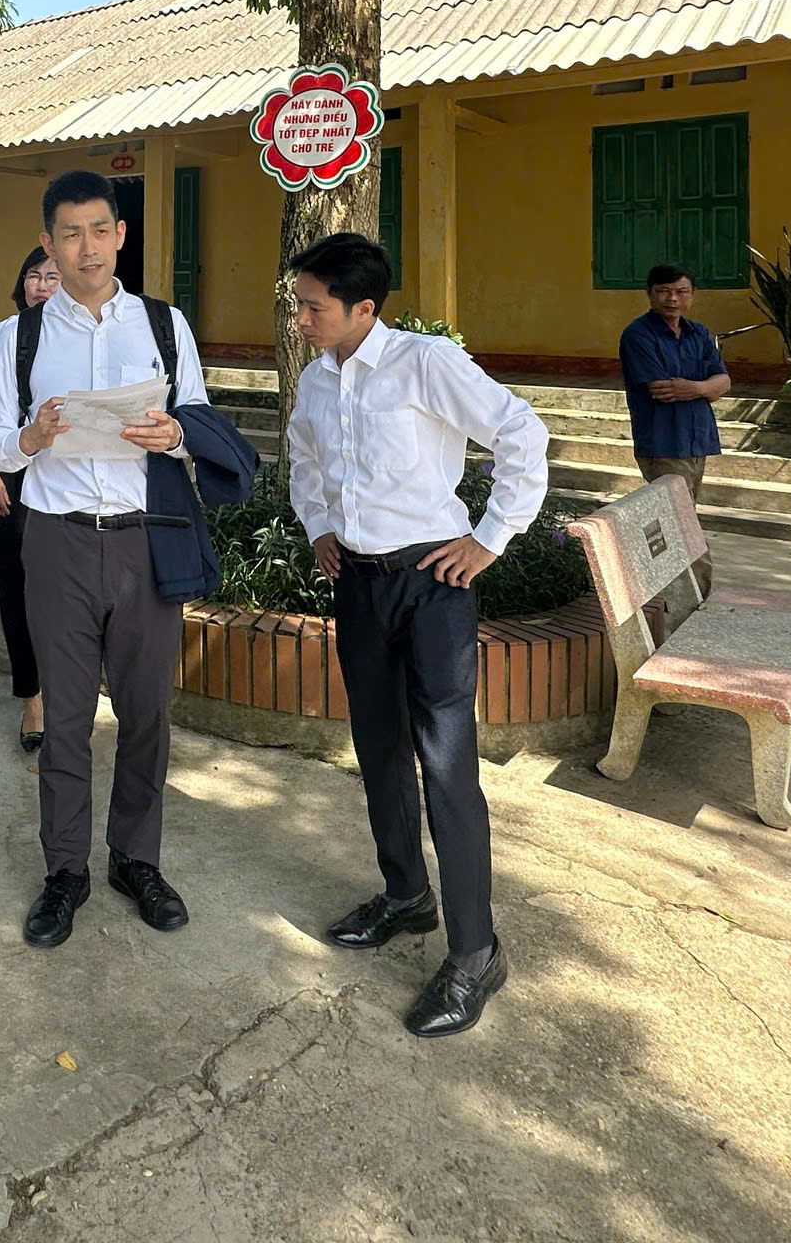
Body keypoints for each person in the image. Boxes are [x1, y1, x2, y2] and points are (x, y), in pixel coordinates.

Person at [285, 232, 548, 1039]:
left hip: (433, 586)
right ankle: (406, 898)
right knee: (379, 751)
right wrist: (321, 527)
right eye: (298, 303)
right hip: (359, 585)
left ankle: (476, 953)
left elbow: (521, 432)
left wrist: (491, 538)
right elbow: (303, 460)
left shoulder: (425, 364)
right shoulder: (317, 381)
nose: (299, 318)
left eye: (313, 307)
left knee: (446, 767)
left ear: (365, 309)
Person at [0, 170, 211, 950]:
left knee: (147, 715)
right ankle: (64, 870)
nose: (86, 247)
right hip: (59, 540)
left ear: (121, 236)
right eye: (68, 233)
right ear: (48, 242)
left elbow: (198, 426)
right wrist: (30, 440)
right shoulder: (17, 338)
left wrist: (173, 436)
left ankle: (136, 859)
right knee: (66, 718)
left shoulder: (166, 327)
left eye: (100, 230)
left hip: (146, 538)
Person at [0, 245, 60, 757]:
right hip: (10, 476)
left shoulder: (80, 338)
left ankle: (68, 690)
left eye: (52, 276)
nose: (42, 285)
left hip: (66, 479)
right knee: (15, 587)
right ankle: (33, 696)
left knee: (62, 588)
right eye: (34, 275)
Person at [620, 263, 732, 596]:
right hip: (663, 441)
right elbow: (662, 389)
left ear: (692, 295)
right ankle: (693, 597)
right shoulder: (638, 335)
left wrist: (695, 388)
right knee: (680, 524)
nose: (673, 299)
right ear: (650, 294)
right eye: (664, 292)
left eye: (681, 292)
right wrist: (705, 387)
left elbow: (723, 381)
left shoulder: (699, 333)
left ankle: (673, 596)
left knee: (680, 520)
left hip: (698, 440)